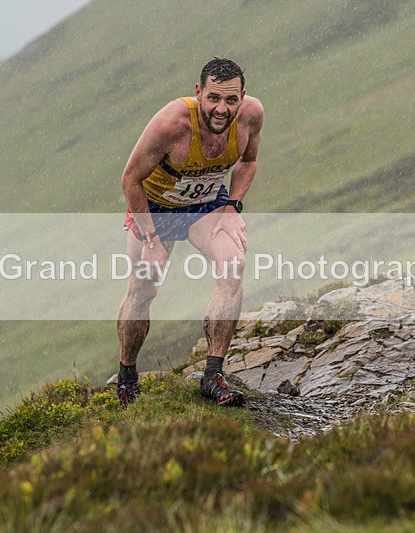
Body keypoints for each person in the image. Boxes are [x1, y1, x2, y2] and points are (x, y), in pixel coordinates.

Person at [116, 57, 264, 409]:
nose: (221, 109)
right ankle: (126, 376)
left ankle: (212, 375)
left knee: (233, 266)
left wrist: (232, 207)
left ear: (242, 97)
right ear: (199, 93)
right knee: (143, 289)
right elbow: (130, 180)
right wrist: (151, 239)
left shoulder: (252, 115)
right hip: (155, 207)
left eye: (231, 100)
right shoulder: (172, 123)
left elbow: (248, 161)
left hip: (206, 204)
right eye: (213, 98)